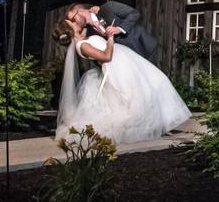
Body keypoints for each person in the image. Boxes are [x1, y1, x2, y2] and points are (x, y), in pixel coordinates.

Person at [52, 10, 190, 145]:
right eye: (70, 22)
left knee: (157, 81)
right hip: (117, 67)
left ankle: (163, 123)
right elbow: (106, 57)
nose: (74, 21)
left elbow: (91, 22)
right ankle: (155, 126)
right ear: (70, 29)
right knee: (138, 97)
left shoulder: (82, 37)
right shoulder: (82, 46)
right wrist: (110, 39)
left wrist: (93, 14)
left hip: (126, 60)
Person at [65, 1, 158, 64]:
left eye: (73, 19)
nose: (74, 23)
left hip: (142, 46)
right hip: (128, 62)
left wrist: (120, 28)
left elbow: (134, 13)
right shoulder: (89, 34)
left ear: (80, 11)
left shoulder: (107, 7)